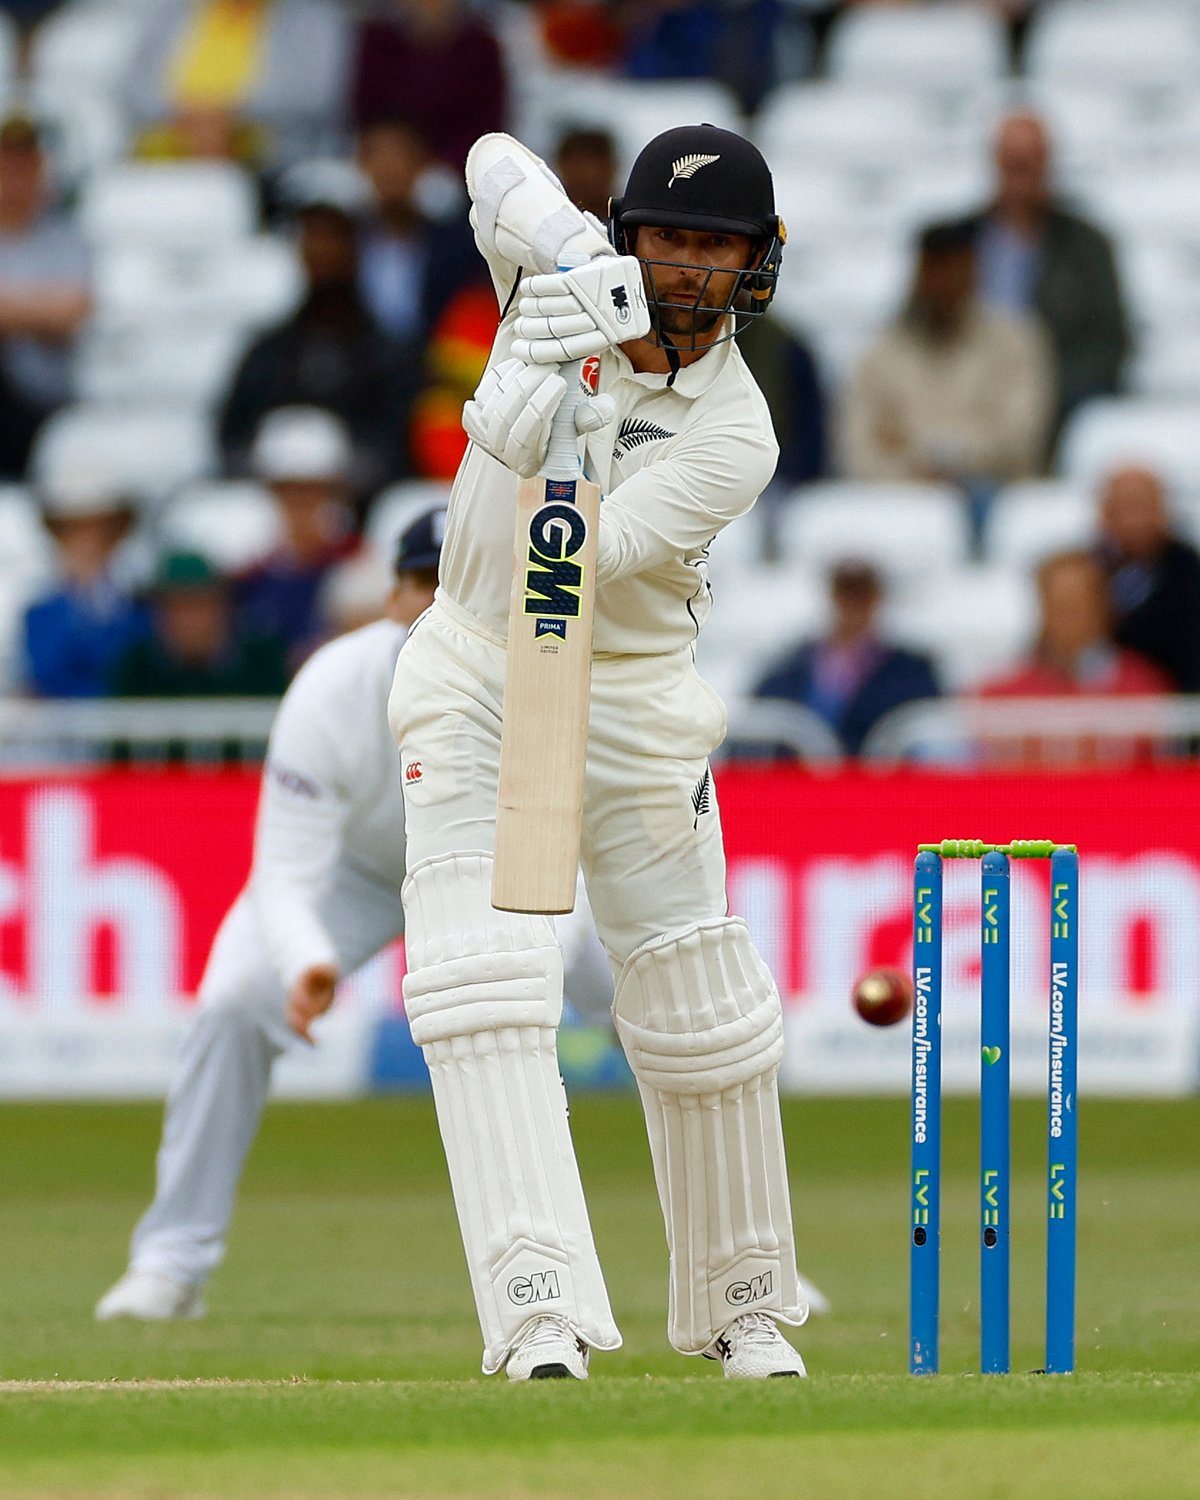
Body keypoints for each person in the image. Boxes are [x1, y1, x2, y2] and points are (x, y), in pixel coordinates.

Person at [381, 124, 809, 1381]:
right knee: (482, 985)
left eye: (713, 246)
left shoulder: (739, 431)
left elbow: (580, 551)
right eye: (664, 239)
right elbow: (484, 158)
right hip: (473, 669)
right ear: (631, 234)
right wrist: (569, 267)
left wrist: (520, 418)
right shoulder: (557, 275)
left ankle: (745, 1307)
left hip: (625, 691)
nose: (684, 268)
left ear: (756, 264)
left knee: (700, 1010)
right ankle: (537, 1312)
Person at [94, 512, 440, 1319]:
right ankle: (170, 1264)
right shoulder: (332, 686)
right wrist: (307, 964)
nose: (442, 605)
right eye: (427, 583)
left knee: (649, 990)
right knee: (233, 1000)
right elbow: (284, 873)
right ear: (393, 596)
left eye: (465, 584)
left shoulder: (544, 678)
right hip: (355, 872)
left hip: (495, 873)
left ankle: (742, 1265)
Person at [838, 220, 1053, 544]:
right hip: (904, 502)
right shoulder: (880, 355)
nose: (945, 283)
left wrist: (935, 456)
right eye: (935, 269)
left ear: (975, 272)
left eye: (956, 269)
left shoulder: (1015, 344)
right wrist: (918, 473)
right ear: (918, 274)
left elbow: (1021, 436)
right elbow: (858, 450)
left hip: (994, 500)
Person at [924, 111, 1130, 433]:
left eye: (1030, 162)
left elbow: (1107, 341)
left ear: (1049, 164)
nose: (1021, 174)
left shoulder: (1086, 246)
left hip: (1054, 402)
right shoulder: (953, 241)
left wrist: (1039, 394)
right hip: (960, 397)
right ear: (994, 163)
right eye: (1012, 162)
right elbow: (920, 323)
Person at [217, 160, 415, 492]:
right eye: (311, 233)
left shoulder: (391, 355)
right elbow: (231, 439)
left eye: (335, 234)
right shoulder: (266, 351)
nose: (323, 249)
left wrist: (334, 483)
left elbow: (397, 448)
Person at [754, 560, 939, 756]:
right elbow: (765, 722)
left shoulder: (912, 671)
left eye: (862, 595)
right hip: (798, 779)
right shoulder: (789, 667)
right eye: (847, 594)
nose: (854, 605)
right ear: (833, 597)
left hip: (875, 780)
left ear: (877, 599)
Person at [0, 111, 91, 477]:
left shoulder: (66, 237)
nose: (14, 177)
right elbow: (53, 309)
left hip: (38, 400)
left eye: (25, 165)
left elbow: (72, 311)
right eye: (7, 165)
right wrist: (32, 309)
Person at [234, 406, 359, 668]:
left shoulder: (361, 568)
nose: (300, 504)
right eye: (288, 491)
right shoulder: (253, 578)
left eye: (311, 491)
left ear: (334, 493)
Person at [21, 479, 148, 698]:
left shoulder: (139, 606)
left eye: (99, 530)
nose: (88, 541)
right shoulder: (39, 614)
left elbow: (134, 670)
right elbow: (49, 675)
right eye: (76, 531)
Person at [349, 0, 507, 173]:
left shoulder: (481, 47)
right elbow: (368, 114)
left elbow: (487, 125)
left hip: (456, 168)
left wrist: (439, 165)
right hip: (384, 161)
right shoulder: (378, 40)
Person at [108, 550, 288, 697]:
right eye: (177, 607)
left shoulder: (261, 664)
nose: (188, 620)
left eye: (198, 605)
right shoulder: (136, 670)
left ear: (223, 607)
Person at [1094, 466, 1200, 693]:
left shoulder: (1191, 573)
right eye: (1124, 507)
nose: (1135, 520)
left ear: (1165, 512)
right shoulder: (1086, 570)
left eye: (1143, 506)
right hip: (1102, 703)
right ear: (1104, 513)